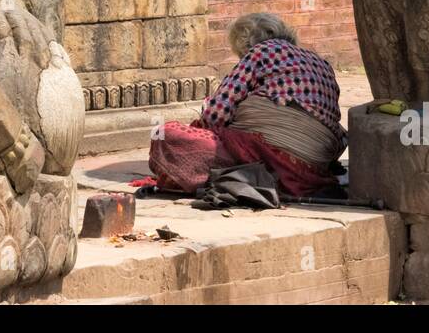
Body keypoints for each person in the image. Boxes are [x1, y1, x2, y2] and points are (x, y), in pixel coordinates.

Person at [147, 13, 347, 198]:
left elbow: (216, 113)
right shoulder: (320, 61)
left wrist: (205, 122)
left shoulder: (262, 51)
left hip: (269, 153)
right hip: (314, 165)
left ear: (245, 44)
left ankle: (245, 174)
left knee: (163, 132)